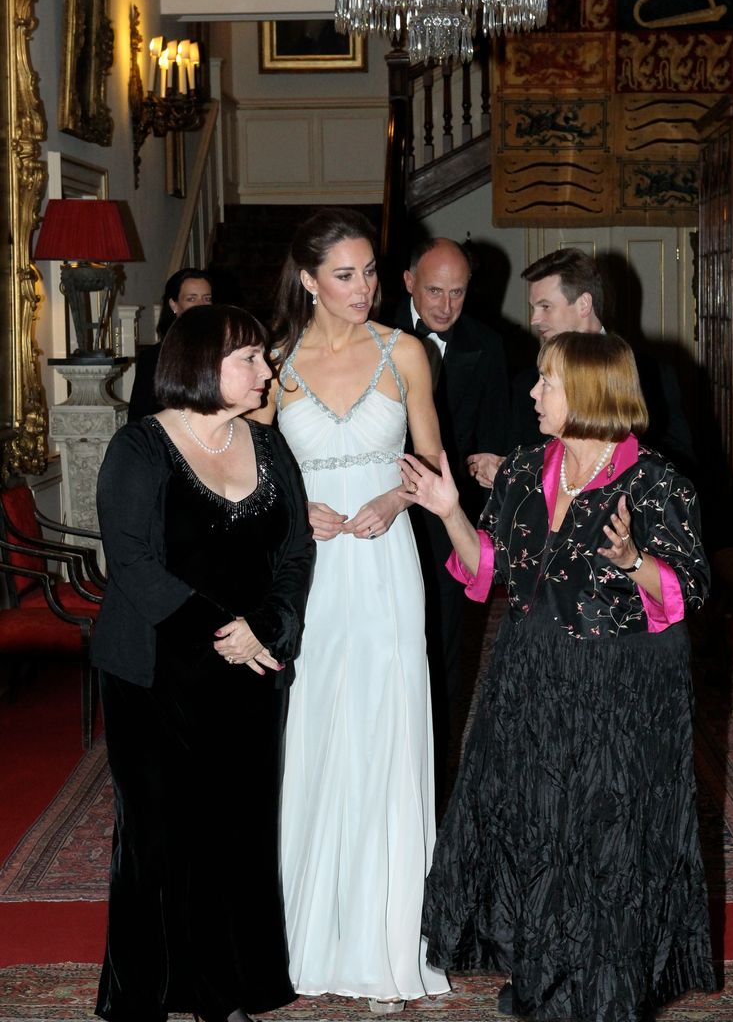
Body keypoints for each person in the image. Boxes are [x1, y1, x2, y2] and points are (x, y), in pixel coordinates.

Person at [400, 331, 716, 1022]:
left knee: (605, 833)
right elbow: (488, 569)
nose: (534, 392)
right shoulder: (522, 470)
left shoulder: (655, 482)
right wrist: (449, 510)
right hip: (531, 669)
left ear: (592, 392)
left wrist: (633, 560)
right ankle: (543, 967)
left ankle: (604, 987)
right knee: (535, 821)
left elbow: (686, 590)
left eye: (549, 381)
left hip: (620, 681)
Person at [250, 209, 449, 1011]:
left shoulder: (404, 352)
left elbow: (430, 458)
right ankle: (303, 933)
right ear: (307, 280)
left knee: (385, 728)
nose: (363, 287)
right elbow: (250, 473)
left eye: (368, 271)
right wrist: (293, 511)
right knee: (310, 729)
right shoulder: (272, 362)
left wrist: (395, 500)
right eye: (344, 274)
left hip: (383, 562)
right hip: (307, 571)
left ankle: (388, 941)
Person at [93, 304, 315, 1022]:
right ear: (198, 365)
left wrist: (267, 630)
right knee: (159, 837)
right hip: (156, 673)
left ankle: (226, 993)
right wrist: (227, 631)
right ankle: (146, 996)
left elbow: (295, 551)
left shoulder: (269, 445)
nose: (265, 370)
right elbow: (132, 564)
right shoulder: (139, 448)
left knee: (239, 832)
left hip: (250, 672)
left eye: (262, 357)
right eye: (248, 359)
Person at [393, 237, 509, 799]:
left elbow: (495, 434)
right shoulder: (373, 334)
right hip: (382, 515)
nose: (445, 306)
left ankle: (435, 781)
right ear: (409, 282)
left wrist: (487, 468)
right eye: (435, 291)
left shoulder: (488, 344)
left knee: (444, 646)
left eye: (457, 293)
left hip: (448, 521)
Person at [471, 247, 695, 489]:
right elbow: (521, 458)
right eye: (533, 308)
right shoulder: (528, 385)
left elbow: (678, 467)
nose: (534, 319)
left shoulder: (650, 375)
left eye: (545, 307)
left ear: (584, 304)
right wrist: (508, 471)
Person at [128, 268, 213, 421]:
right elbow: (139, 416)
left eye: (207, 299)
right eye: (191, 299)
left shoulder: (226, 352)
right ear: (174, 305)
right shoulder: (153, 358)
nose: (201, 305)